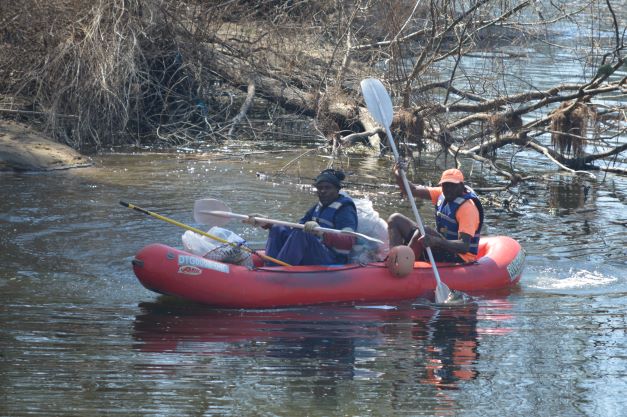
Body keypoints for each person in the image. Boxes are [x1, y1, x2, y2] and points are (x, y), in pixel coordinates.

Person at [248, 169, 358, 266]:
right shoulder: (318, 207)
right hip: (316, 251)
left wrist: (322, 233)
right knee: (278, 228)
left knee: (303, 234)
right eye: (320, 188)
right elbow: (296, 228)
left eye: (327, 188)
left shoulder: (345, 209)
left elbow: (348, 241)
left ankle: (278, 273)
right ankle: (271, 267)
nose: (323, 191)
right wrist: (268, 223)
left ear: (337, 189)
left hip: (332, 259)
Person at [387, 166, 484, 263]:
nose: (448, 189)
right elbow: (412, 190)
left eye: (452, 185)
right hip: (443, 245)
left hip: (460, 256)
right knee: (395, 219)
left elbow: (464, 247)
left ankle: (401, 263)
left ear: (461, 186)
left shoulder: (467, 208)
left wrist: (436, 241)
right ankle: (394, 257)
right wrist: (398, 173)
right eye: (445, 185)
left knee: (424, 231)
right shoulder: (442, 193)